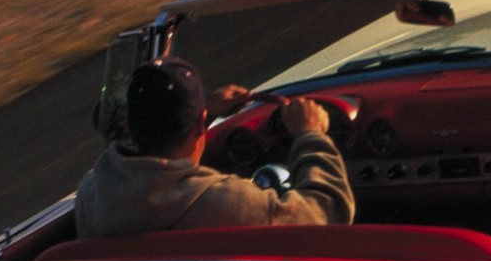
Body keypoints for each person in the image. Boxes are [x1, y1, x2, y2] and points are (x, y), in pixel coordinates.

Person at [75, 57, 355, 238]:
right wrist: (311, 134)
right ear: (200, 124)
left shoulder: (93, 193)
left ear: (129, 126)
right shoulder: (226, 204)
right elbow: (328, 214)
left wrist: (205, 111)